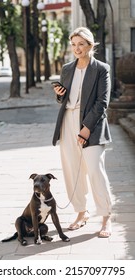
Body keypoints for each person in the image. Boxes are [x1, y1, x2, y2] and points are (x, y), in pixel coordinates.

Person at [52, 27, 113, 238]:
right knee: (72, 170)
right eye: (74, 45)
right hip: (67, 121)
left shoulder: (101, 69)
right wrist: (60, 95)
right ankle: (81, 212)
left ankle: (106, 217)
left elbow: (102, 102)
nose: (77, 49)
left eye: (81, 44)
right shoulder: (68, 68)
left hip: (92, 125)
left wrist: (86, 129)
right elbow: (64, 100)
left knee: (95, 170)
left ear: (90, 45)